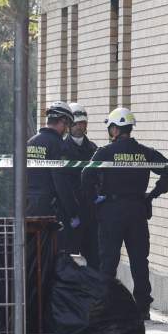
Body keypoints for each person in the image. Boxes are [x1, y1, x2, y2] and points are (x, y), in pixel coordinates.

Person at [82, 107, 168, 320]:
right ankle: (142, 307)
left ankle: (105, 306)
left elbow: (86, 174)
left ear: (114, 129)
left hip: (111, 212)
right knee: (139, 261)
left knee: (108, 262)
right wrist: (152, 195)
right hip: (137, 212)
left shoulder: (105, 152)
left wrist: (94, 200)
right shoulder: (145, 152)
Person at [26, 101, 80, 247]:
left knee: (32, 251)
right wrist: (73, 211)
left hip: (27, 207)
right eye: (67, 125)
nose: (67, 129)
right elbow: (61, 182)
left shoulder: (30, 142)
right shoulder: (59, 145)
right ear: (63, 121)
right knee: (51, 253)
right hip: (50, 210)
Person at [62, 102, 99, 268]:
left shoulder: (94, 150)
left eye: (82, 123)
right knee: (67, 257)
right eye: (76, 123)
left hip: (90, 211)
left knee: (94, 256)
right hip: (69, 211)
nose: (79, 126)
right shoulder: (61, 149)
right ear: (69, 125)